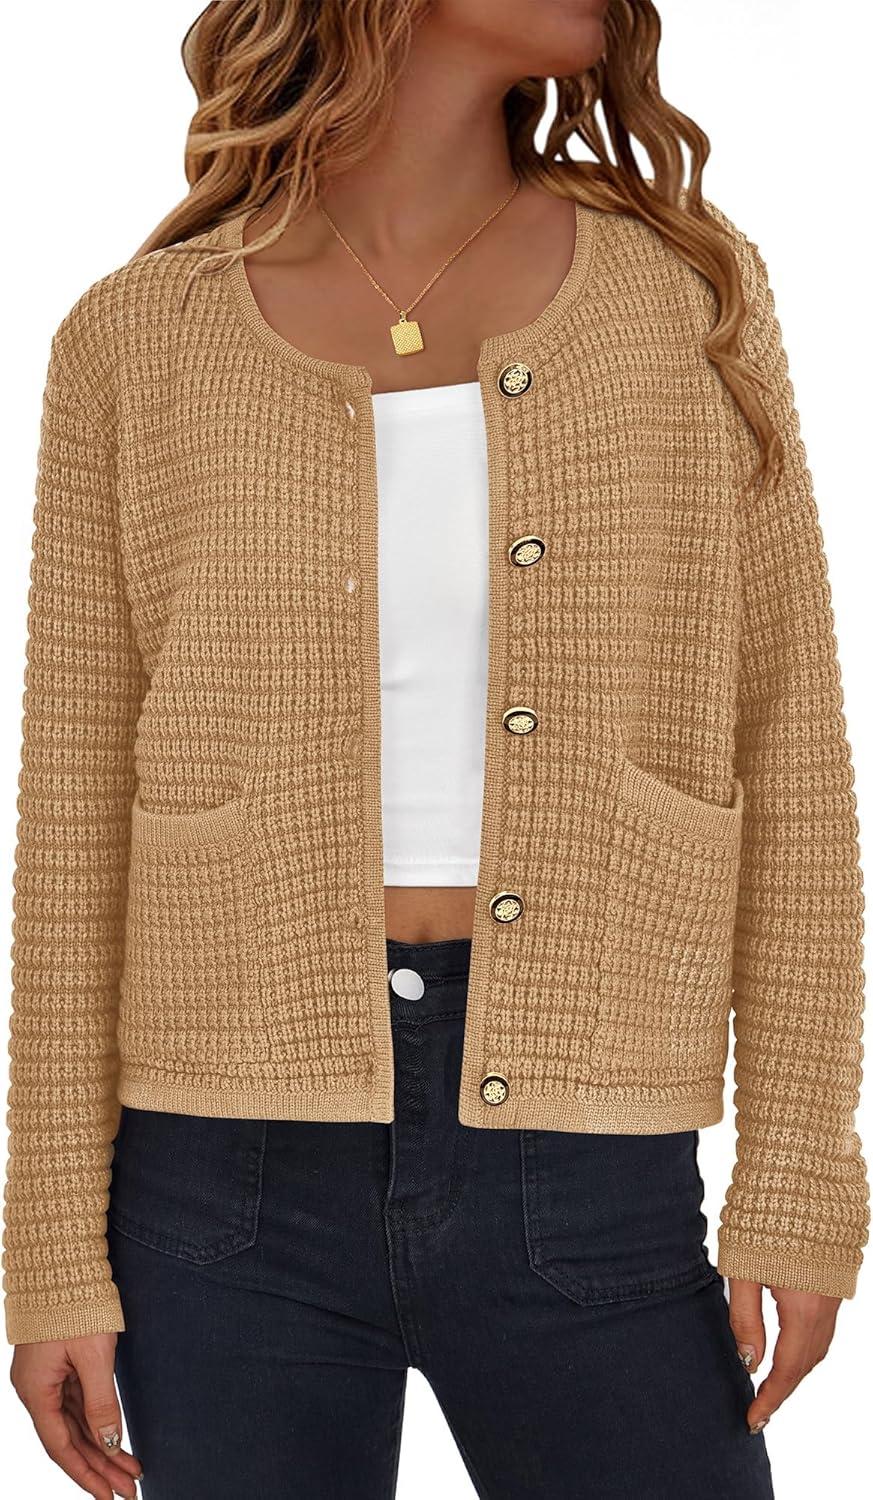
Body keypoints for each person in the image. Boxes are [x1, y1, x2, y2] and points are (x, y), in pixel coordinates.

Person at [3, 2, 868, 1496]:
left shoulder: (681, 300)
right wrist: (48, 1252)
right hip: (223, 1178)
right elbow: (72, 818)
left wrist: (797, 1177)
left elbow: (789, 749)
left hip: (590, 1157)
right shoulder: (137, 340)